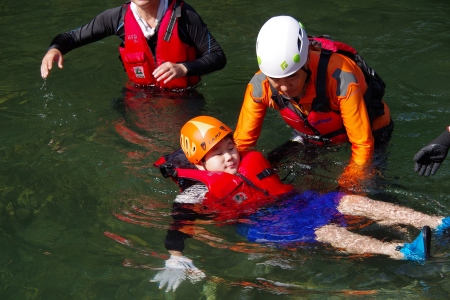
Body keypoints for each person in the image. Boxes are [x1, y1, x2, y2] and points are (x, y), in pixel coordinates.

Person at [150, 115, 450, 292]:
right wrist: (175, 256)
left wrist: (297, 142)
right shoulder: (195, 191)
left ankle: (438, 223)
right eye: (218, 153)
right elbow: (179, 224)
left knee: (352, 201)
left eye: (231, 147)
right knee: (330, 233)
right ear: (200, 164)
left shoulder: (249, 162)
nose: (229, 156)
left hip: (296, 201)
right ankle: (402, 252)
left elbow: (275, 160)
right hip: (271, 224)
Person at [233, 16, 393, 190]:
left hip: (371, 132)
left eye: (293, 76)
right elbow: (242, 143)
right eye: (276, 79)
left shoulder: (340, 78)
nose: (285, 87)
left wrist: (348, 186)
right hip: (312, 136)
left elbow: (362, 143)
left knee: (368, 185)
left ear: (307, 60)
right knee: (266, 171)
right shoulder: (260, 85)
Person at [40, 0, 226, 90]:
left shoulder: (184, 15)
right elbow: (70, 37)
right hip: (138, 97)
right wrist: (54, 50)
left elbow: (217, 56)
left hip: (185, 97)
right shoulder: (116, 18)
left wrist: (184, 68)